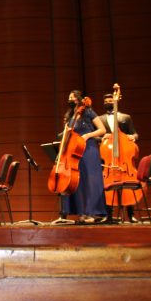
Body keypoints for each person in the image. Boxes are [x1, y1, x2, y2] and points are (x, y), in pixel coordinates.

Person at [59, 90, 107, 224]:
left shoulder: (88, 112)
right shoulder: (70, 116)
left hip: (89, 149)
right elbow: (66, 136)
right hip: (75, 150)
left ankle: (92, 212)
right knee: (78, 182)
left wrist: (88, 135)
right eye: (68, 97)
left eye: (72, 97)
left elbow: (102, 130)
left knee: (90, 180)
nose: (69, 99)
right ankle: (81, 212)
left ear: (79, 99)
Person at [100, 92, 140, 222]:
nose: (108, 102)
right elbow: (93, 135)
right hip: (109, 158)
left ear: (115, 101)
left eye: (111, 100)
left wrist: (132, 137)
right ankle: (109, 215)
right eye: (106, 101)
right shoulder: (100, 119)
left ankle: (131, 214)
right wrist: (101, 137)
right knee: (106, 184)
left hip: (123, 158)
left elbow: (135, 133)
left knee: (128, 182)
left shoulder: (125, 117)